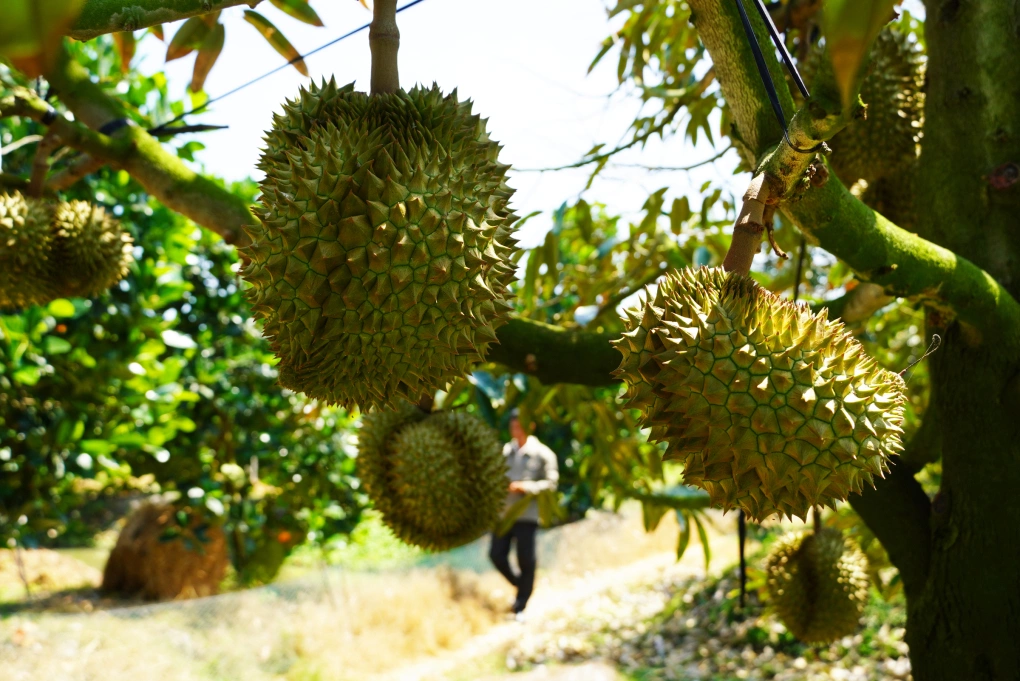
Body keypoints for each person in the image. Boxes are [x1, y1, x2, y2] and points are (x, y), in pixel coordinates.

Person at [489, 409, 559, 618]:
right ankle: (522, 585)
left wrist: (525, 487)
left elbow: (551, 484)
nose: (516, 429)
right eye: (513, 426)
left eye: (519, 425)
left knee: (526, 560)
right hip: (504, 514)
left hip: (527, 515)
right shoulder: (504, 452)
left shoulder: (543, 454)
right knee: (496, 555)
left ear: (531, 426)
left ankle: (520, 605)